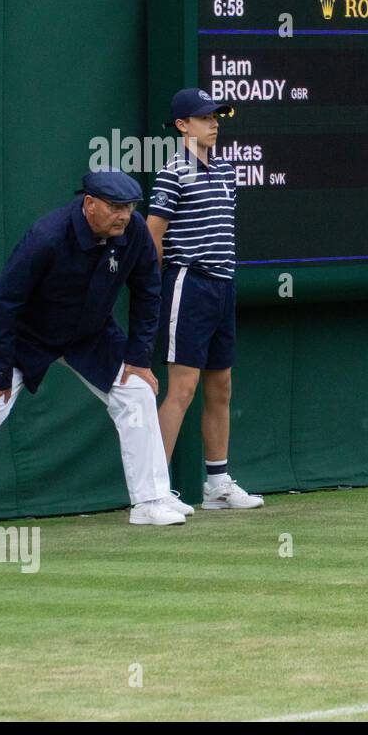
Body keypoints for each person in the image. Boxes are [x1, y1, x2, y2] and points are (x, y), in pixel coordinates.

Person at [0, 170, 185, 530]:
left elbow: (148, 292)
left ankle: (149, 501)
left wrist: (138, 358)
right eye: (115, 207)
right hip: (30, 338)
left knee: (137, 391)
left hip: (90, 335)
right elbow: (5, 303)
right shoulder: (46, 237)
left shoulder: (133, 235)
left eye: (130, 207)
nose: (124, 216)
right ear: (89, 204)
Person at [147, 88, 263, 510]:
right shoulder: (172, 172)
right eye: (204, 118)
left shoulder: (228, 171)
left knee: (221, 385)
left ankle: (217, 484)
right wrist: (157, 287)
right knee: (182, 388)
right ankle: (153, 491)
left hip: (222, 285)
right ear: (182, 125)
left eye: (217, 117)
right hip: (187, 284)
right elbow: (152, 237)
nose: (215, 123)